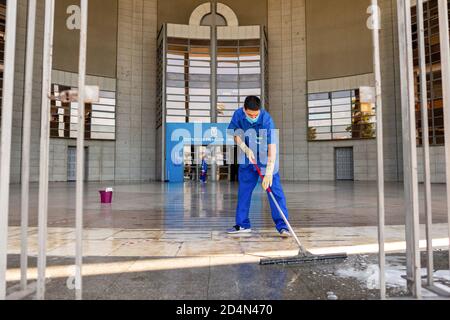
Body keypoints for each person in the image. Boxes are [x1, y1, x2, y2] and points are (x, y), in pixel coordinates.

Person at [226, 96, 291, 237]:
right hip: (247, 157)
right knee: (244, 192)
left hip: (266, 158)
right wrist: (244, 148)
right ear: (244, 110)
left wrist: (268, 171)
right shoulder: (238, 114)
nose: (253, 117)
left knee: (275, 191)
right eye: (250, 115)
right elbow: (234, 134)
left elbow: (272, 147)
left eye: (256, 115)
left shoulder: (266, 120)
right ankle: (242, 224)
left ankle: (283, 226)